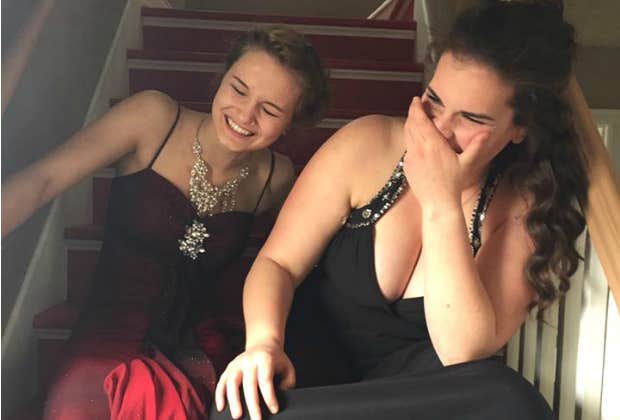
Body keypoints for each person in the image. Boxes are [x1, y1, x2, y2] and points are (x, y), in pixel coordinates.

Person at [213, 2, 588, 419]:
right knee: (239, 408)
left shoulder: (525, 207)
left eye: (471, 118)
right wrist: (264, 343)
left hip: (413, 399)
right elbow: (277, 263)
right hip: (308, 381)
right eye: (434, 101)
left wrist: (442, 202)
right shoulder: (368, 143)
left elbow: (462, 353)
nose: (439, 129)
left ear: (519, 128)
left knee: (511, 399)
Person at [2, 27, 329, 419]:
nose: (245, 115)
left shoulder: (276, 178)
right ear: (221, 77)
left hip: (194, 349)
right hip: (106, 338)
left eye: (271, 110)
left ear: (291, 123)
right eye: (239, 89)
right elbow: (42, 181)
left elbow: (293, 262)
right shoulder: (153, 118)